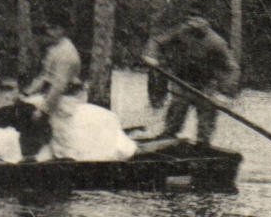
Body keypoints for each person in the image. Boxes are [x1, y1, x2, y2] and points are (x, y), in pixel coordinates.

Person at [20, 17, 135, 162]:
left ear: (63, 30)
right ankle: (28, 150)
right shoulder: (53, 49)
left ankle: (50, 154)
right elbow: (44, 76)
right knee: (23, 106)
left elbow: (59, 86)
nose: (50, 32)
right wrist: (26, 93)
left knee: (38, 116)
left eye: (54, 28)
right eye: (48, 28)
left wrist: (43, 110)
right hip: (53, 94)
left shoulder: (66, 53)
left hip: (66, 98)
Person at [141, 11, 239, 145]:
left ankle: (202, 145)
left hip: (205, 85)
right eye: (190, 22)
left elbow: (231, 68)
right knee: (175, 113)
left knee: (206, 119)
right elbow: (157, 40)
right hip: (182, 81)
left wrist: (225, 93)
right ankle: (167, 138)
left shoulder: (216, 42)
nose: (191, 26)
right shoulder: (181, 31)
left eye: (197, 23)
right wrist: (151, 55)